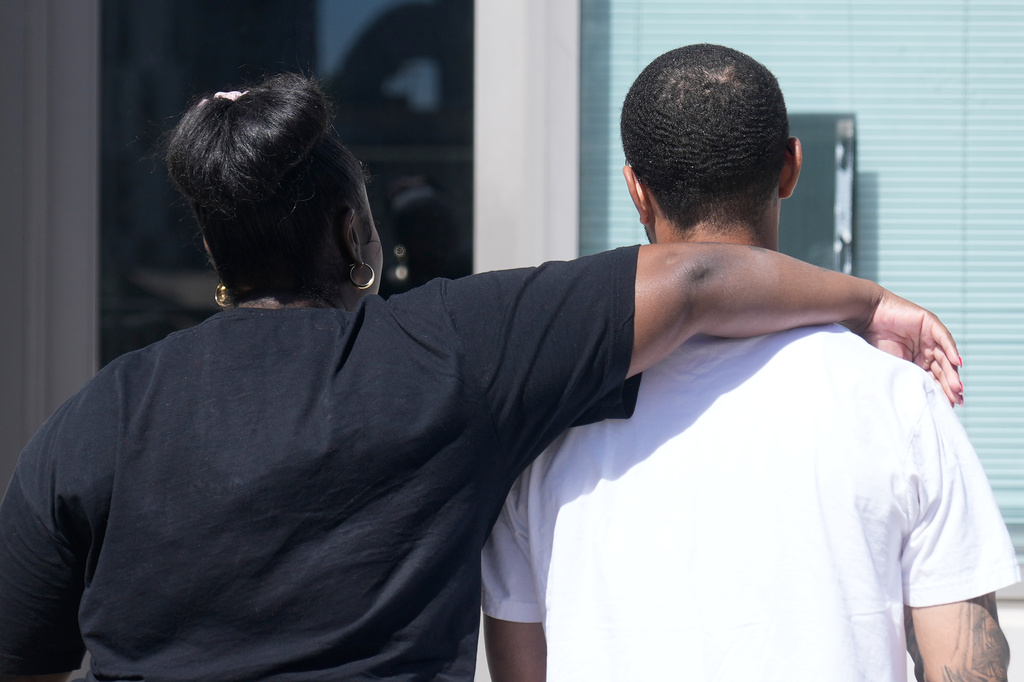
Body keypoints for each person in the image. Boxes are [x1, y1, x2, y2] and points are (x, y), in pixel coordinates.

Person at [0, 72, 962, 682]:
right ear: (353, 234)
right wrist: (867, 301)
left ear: (215, 244)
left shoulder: (99, 418)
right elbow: (700, 275)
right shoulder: (445, 354)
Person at [481, 45, 1018, 682]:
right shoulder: (898, 402)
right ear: (791, 168)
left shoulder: (544, 422)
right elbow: (967, 668)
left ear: (635, 188)